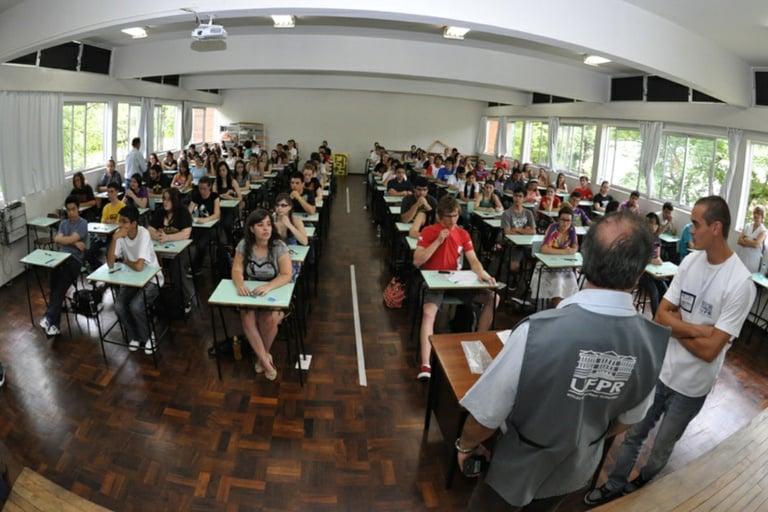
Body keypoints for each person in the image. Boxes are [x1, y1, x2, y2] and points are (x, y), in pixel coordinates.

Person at [458, 211, 667, 511]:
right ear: (639, 273)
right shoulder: (654, 344)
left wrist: (464, 445)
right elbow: (627, 420)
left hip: (516, 470)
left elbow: (485, 416)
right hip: (576, 470)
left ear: (584, 257)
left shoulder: (537, 330)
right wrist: (580, 437)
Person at [586, 196, 756, 506]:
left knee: (662, 446)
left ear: (716, 228)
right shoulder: (690, 261)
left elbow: (709, 352)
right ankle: (614, 484)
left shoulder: (741, 283)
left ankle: (643, 484)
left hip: (692, 387)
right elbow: (660, 315)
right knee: (634, 433)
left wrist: (679, 328)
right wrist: (700, 329)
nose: (690, 230)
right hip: (663, 370)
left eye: (696, 224)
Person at [413, 195, 498, 381]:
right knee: (428, 313)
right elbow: (417, 261)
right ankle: (425, 364)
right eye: (448, 216)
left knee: (493, 298)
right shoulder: (428, 231)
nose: (452, 220)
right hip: (434, 282)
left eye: (455, 215)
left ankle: (477, 341)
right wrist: (437, 241)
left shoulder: (463, 234)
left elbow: (473, 260)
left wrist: (482, 273)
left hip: (456, 281)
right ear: (439, 216)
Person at [232, 209, 293, 381]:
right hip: (251, 292)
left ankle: (261, 357)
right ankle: (267, 361)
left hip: (274, 290)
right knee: (247, 318)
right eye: (260, 225)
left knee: (270, 319)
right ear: (252, 229)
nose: (266, 229)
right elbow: (236, 269)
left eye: (268, 224)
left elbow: (287, 274)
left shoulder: (278, 246)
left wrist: (269, 286)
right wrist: (240, 284)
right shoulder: (244, 245)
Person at [108, 204, 163, 355]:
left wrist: (125, 261)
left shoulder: (143, 234)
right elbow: (110, 263)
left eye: (124, 221)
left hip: (152, 279)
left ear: (134, 224)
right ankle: (135, 336)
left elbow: (139, 266)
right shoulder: (120, 235)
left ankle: (147, 336)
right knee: (119, 306)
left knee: (136, 306)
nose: (121, 225)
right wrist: (114, 239)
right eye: (120, 221)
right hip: (132, 279)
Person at [38, 195, 88, 337]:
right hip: (59, 259)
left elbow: (63, 240)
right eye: (68, 210)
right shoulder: (63, 223)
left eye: (73, 209)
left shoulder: (83, 223)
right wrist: (74, 242)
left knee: (59, 288)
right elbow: (56, 240)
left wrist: (65, 240)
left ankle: (49, 318)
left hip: (74, 261)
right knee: (54, 288)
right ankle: (54, 325)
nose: (71, 212)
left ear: (78, 209)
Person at [148, 188, 194, 313]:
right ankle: (156, 299)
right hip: (162, 248)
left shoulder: (183, 212)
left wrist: (168, 237)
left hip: (181, 249)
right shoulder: (160, 212)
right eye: (163, 199)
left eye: (168, 199)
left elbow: (186, 234)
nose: (165, 202)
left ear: (174, 200)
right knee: (150, 266)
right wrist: (157, 235)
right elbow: (150, 228)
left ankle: (185, 299)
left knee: (176, 268)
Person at [530, 206, 579, 307]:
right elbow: (544, 249)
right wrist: (564, 252)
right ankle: (555, 308)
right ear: (558, 219)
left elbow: (575, 248)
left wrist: (557, 251)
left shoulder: (572, 229)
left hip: (563, 265)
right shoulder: (553, 228)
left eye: (568, 221)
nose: (565, 223)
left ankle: (561, 308)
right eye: (563, 220)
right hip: (547, 264)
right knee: (558, 282)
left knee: (570, 280)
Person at [188, 177, 221, 275]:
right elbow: (189, 211)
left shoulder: (215, 197)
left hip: (211, 227)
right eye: (200, 188)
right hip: (197, 227)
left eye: (204, 188)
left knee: (201, 244)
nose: (202, 191)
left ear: (210, 187)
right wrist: (191, 217)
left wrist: (205, 220)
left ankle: (196, 267)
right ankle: (189, 264)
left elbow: (217, 214)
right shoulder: (196, 196)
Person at [638, 213, 669, 316]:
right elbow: (639, 257)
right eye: (651, 223)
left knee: (665, 289)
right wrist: (651, 260)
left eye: (655, 225)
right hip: (642, 274)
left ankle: (664, 315)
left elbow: (658, 256)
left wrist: (659, 260)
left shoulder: (656, 240)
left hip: (654, 273)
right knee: (654, 291)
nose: (653, 226)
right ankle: (656, 318)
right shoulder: (641, 238)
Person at [502, 190, 536, 283]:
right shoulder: (507, 213)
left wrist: (517, 229)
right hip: (513, 243)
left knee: (537, 260)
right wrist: (525, 230)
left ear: (524, 198)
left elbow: (533, 231)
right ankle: (515, 277)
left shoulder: (529, 213)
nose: (517, 198)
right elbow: (508, 232)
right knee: (513, 267)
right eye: (516, 196)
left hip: (527, 243)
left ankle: (529, 280)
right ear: (513, 197)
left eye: (520, 196)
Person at [736, 206, 766, 273]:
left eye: (758, 213)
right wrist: (752, 242)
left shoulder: (763, 230)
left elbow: (756, 244)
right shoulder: (747, 225)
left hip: (753, 260)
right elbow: (739, 240)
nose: (756, 215)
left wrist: (745, 239)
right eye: (755, 213)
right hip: (743, 256)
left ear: (762, 216)